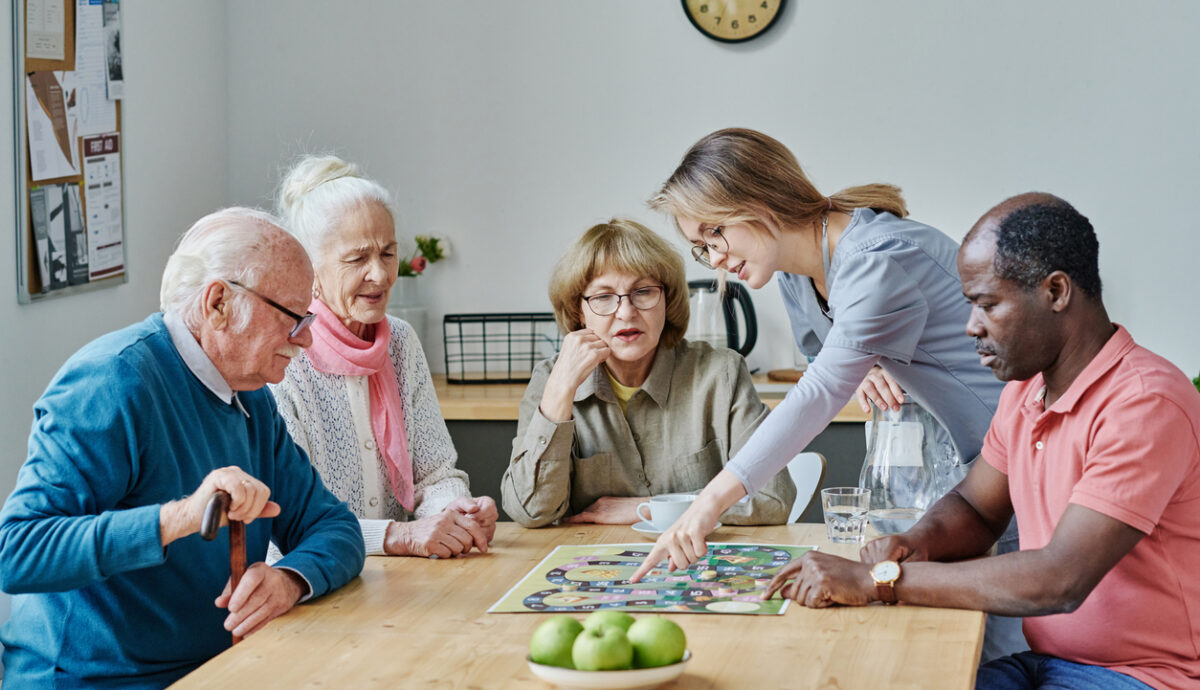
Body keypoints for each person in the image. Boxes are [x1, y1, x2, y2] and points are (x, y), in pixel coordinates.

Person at [764, 193, 1200, 690]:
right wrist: (915, 544)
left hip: (1148, 678)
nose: (971, 326)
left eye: (987, 305)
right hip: (1048, 664)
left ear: (1056, 292)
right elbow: (976, 507)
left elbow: (1059, 579)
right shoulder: (1026, 392)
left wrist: (877, 581)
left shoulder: (1145, 401)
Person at [630, 127, 1022, 658]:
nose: (714, 257)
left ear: (760, 199)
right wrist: (859, 361)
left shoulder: (877, 256)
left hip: (1024, 458)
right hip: (978, 470)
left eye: (715, 233)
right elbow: (825, 358)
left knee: (1002, 654)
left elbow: (817, 394)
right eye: (701, 248)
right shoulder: (800, 271)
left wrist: (708, 504)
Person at [0, 208, 365, 687]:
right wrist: (182, 516)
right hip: (93, 678)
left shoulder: (250, 395)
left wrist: (290, 580)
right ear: (218, 304)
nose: (308, 337)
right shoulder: (111, 381)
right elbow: (18, 552)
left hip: (215, 669)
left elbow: (334, 526)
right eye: (294, 317)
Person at [270, 155, 497, 559]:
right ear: (311, 269)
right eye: (357, 259)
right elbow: (291, 519)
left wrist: (455, 512)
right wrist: (398, 535)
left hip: (396, 581)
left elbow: (437, 473)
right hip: (307, 581)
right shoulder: (283, 358)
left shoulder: (401, 341)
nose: (380, 274)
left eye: (388, 254)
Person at [501, 218, 795, 527]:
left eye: (643, 292)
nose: (626, 313)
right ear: (579, 311)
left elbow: (773, 498)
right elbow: (530, 511)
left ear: (667, 300)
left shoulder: (722, 374)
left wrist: (651, 508)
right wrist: (560, 392)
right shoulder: (551, 380)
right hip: (594, 563)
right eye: (603, 297)